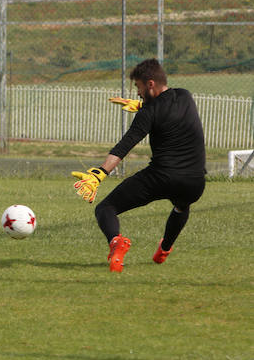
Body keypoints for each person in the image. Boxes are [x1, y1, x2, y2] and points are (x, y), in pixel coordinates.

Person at [71, 58, 206, 272]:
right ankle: (164, 251)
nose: (137, 93)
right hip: (195, 182)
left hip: (161, 178)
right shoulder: (185, 95)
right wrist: (144, 105)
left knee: (106, 208)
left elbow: (124, 146)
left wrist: (99, 173)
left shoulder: (148, 113)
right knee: (182, 206)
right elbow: (167, 108)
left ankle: (116, 242)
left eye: (139, 87)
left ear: (150, 84)